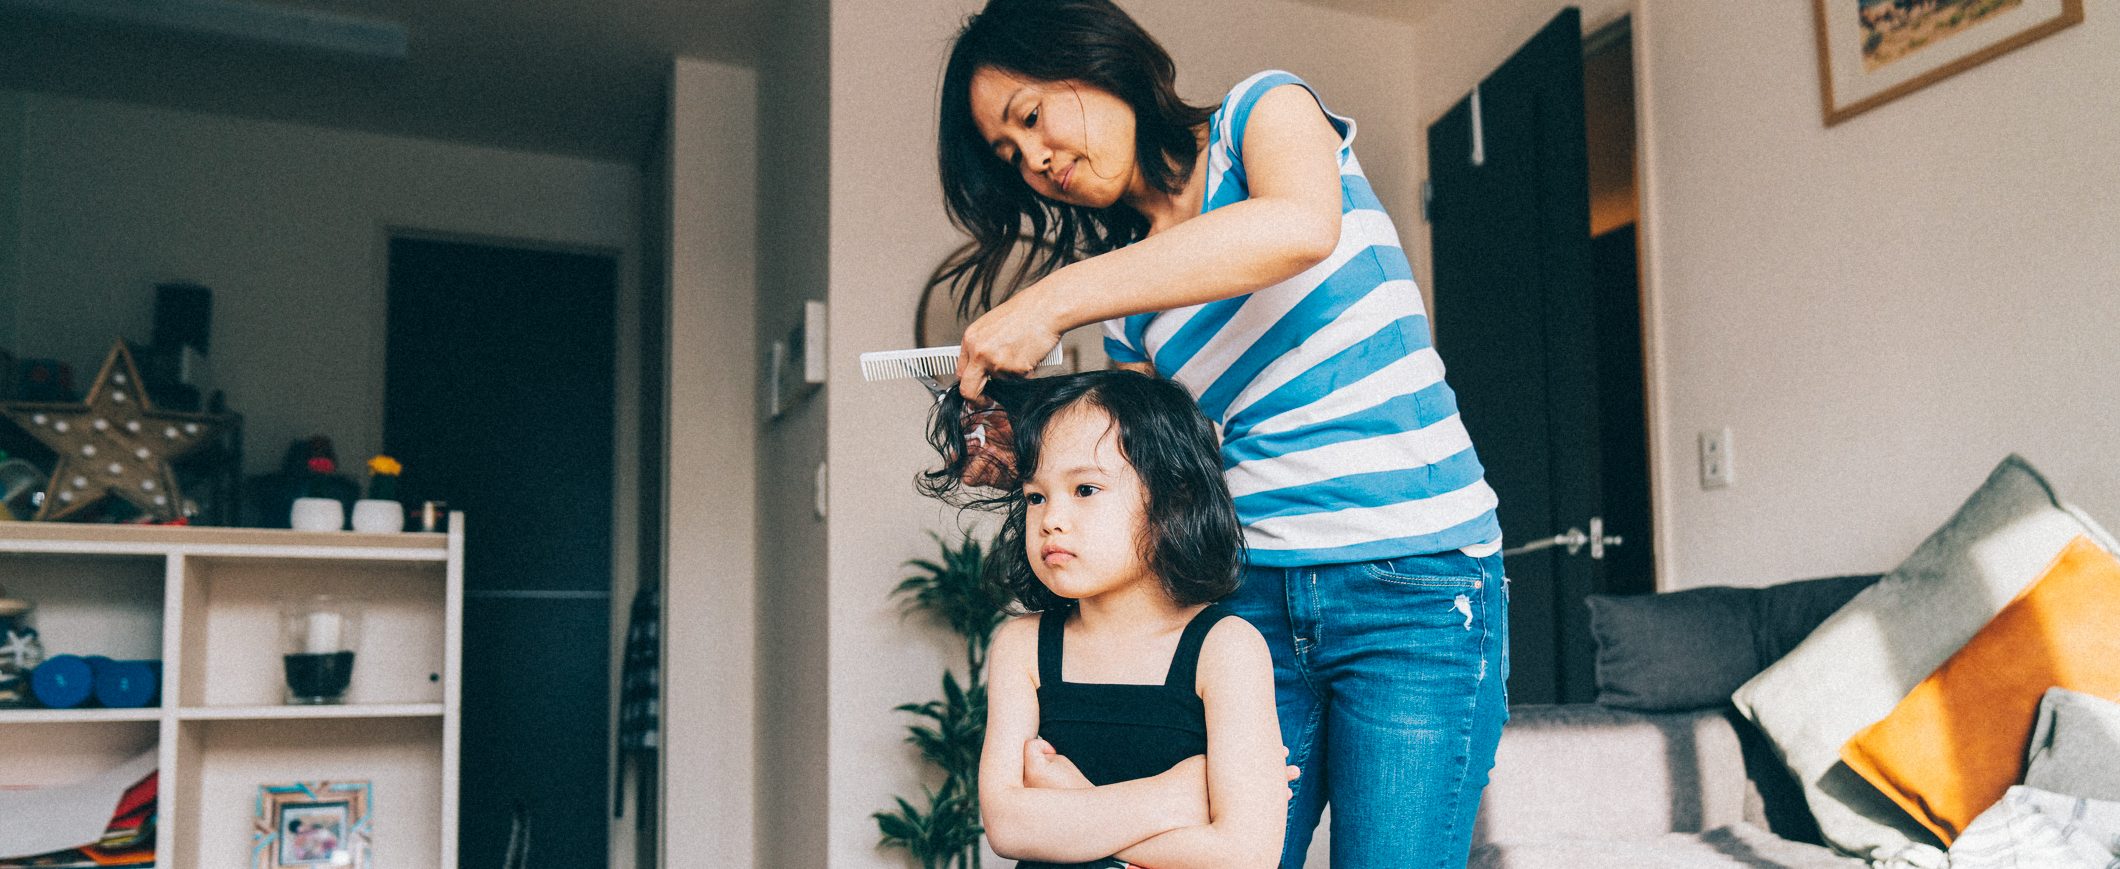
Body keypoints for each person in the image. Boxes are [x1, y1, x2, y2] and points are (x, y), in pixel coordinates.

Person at [935, 2, 1509, 866]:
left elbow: (1298, 226)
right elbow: (1139, 474)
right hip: (1254, 603)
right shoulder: (1135, 310)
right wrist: (1009, 441)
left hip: (1417, 588)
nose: (1036, 163)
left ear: (1092, 58)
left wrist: (1051, 301)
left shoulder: (1261, 116)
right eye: (1011, 157)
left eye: (1030, 118)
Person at [923, 370, 1286, 868]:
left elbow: (1245, 856)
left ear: (1173, 500)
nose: (1051, 518)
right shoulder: (1022, 647)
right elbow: (1008, 826)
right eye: (1036, 496)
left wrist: (1072, 797)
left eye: (1085, 489)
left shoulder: (1226, 648)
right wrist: (1174, 797)